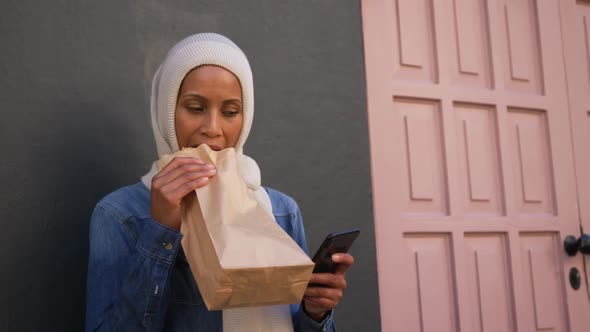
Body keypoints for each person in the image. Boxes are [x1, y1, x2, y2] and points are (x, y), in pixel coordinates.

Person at [85, 33, 354, 331]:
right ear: (166, 111)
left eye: (230, 112)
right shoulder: (121, 213)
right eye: (195, 108)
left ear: (245, 117)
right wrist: (160, 230)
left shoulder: (280, 211)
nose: (212, 129)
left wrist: (315, 312)